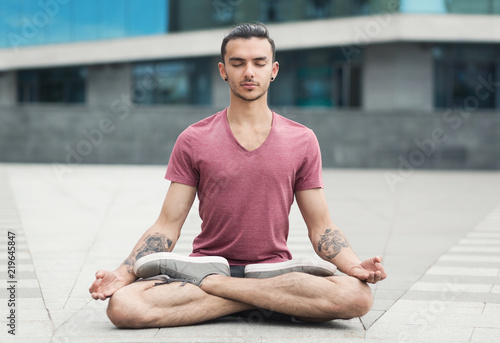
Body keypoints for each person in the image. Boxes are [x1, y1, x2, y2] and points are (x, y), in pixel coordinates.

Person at [89, 23, 387, 328]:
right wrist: (123, 273)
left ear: (273, 70)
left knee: (357, 296)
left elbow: (321, 227)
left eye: (259, 63)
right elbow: (167, 225)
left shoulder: (303, 140)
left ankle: (222, 293)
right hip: (206, 266)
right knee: (125, 306)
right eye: (238, 63)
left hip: (271, 272)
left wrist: (354, 266)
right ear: (223, 70)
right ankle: (269, 303)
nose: (249, 72)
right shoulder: (194, 138)